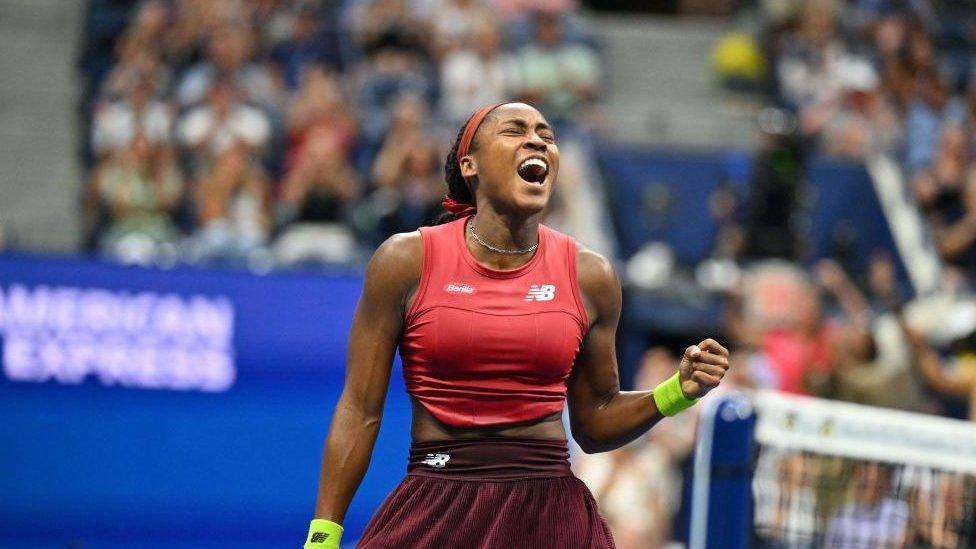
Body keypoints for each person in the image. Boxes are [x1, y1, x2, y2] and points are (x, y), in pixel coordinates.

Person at [303, 102, 731, 548]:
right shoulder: (404, 261)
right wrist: (323, 536)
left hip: (550, 513)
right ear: (470, 165)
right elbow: (359, 409)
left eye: (546, 135)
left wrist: (677, 392)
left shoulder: (591, 276)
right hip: (436, 499)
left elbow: (594, 423)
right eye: (515, 131)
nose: (537, 141)